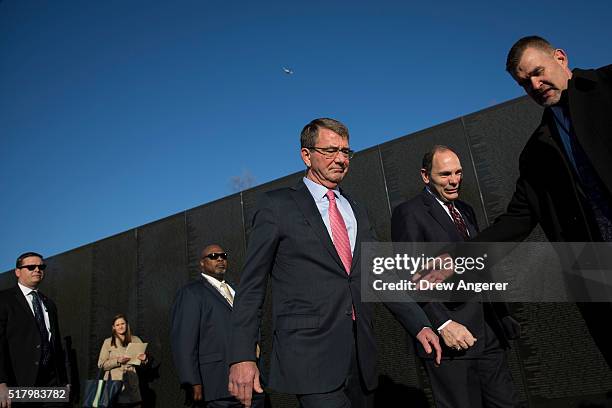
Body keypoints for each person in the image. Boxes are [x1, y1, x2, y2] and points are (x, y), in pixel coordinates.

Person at [417, 36, 612, 368]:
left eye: (538, 72)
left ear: (561, 58)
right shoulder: (537, 151)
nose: (535, 85)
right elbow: (516, 221)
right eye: (524, 83)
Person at [228, 118, 441, 408]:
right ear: (306, 155)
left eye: (346, 152)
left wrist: (419, 324)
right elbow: (251, 285)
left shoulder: (357, 210)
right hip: (309, 356)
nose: (341, 159)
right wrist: (242, 355)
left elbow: (380, 275)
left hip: (361, 356)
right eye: (330, 151)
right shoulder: (276, 206)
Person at [391, 145, 519, 408]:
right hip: (451, 340)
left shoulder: (466, 209)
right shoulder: (409, 214)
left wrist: (501, 313)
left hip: (489, 332)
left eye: (458, 172)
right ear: (426, 176)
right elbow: (409, 276)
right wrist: (442, 324)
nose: (454, 181)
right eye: (445, 174)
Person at [170, 244, 263, 407]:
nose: (219, 258)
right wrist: (192, 380)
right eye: (213, 256)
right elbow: (184, 341)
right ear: (202, 263)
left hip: (253, 383)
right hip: (217, 386)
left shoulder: (237, 290)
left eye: (223, 255)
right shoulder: (191, 293)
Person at [0, 252, 69, 408]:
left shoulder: (49, 304)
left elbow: (56, 344)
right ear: (17, 272)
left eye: (41, 266)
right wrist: (1, 382)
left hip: (52, 383)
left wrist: (64, 382)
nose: (37, 270)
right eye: (31, 267)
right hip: (19, 383)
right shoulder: (4, 300)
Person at [97, 314, 147, 407]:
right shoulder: (108, 342)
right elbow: (101, 364)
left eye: (122, 323)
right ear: (113, 327)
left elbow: (143, 365)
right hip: (114, 384)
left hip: (131, 383)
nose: (120, 326)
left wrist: (144, 360)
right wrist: (117, 360)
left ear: (127, 325)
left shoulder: (135, 340)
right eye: (117, 325)